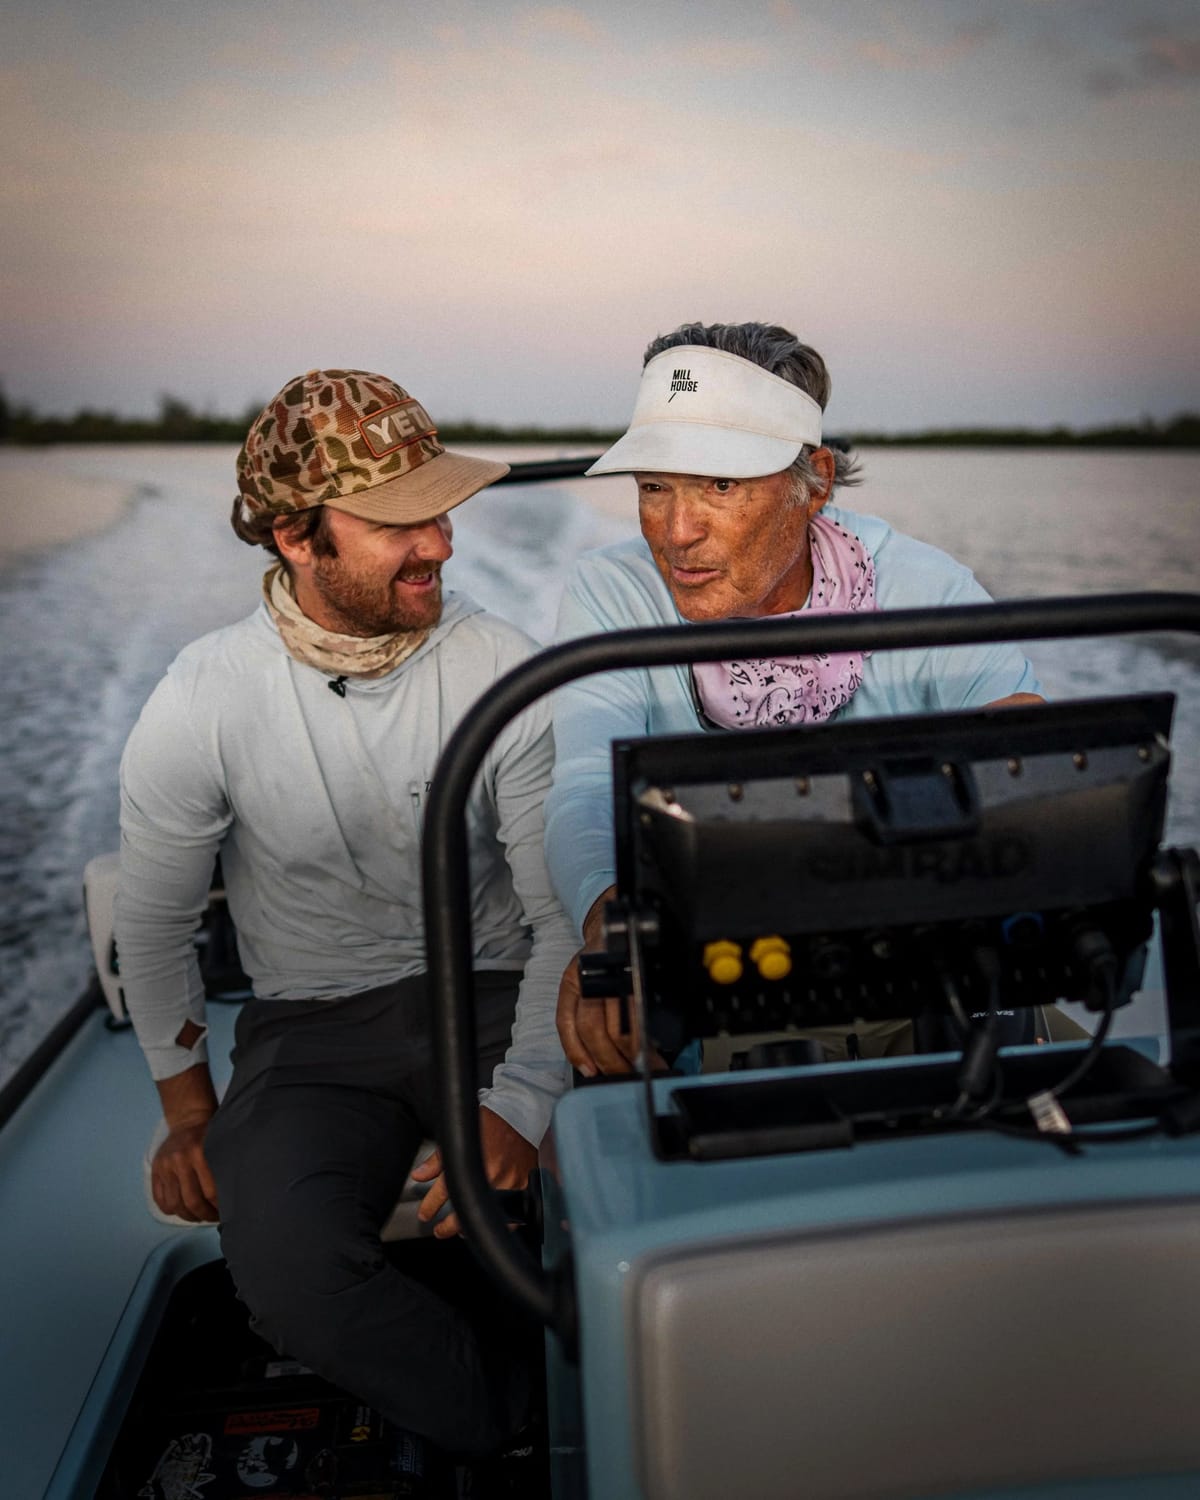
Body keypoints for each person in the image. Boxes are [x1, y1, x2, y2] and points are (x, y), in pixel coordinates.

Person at [115, 368, 577, 1468]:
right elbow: (153, 921)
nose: (441, 544)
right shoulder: (203, 693)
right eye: (395, 522)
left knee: (618, 1176)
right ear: (294, 537)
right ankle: (527, 1427)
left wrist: (521, 1099)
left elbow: (564, 909)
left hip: (501, 988)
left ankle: (600, 1405)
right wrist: (189, 1116)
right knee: (281, 1273)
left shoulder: (503, 666)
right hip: (311, 1028)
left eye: (442, 510)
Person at [545, 321, 1050, 1076]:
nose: (677, 531)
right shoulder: (610, 592)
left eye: (719, 485)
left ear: (810, 481)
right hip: (704, 973)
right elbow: (585, 784)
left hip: (922, 974)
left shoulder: (921, 586)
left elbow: (1030, 761)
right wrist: (610, 928)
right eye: (654, 487)